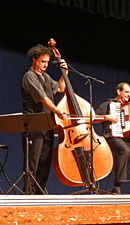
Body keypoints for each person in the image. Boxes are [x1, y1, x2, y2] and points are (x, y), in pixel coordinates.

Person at [21, 44, 69, 194]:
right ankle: (28, 193)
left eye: (48, 62)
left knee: (44, 163)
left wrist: (64, 73)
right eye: (43, 62)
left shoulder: (46, 77)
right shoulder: (29, 76)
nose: (46, 65)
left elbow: (60, 88)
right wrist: (57, 110)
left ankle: (40, 193)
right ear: (34, 60)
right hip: (34, 125)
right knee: (33, 163)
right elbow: (43, 98)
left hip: (48, 124)